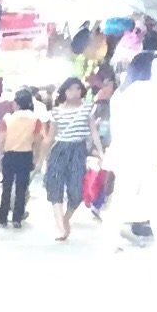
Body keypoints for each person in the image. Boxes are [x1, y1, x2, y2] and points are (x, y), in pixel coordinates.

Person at [44, 75, 98, 240]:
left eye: (77, 89)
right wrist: (41, 159)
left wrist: (101, 151)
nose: (74, 92)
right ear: (64, 92)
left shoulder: (87, 108)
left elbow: (93, 131)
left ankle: (65, 218)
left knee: (77, 191)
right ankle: (61, 228)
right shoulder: (56, 112)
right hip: (59, 150)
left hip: (78, 150)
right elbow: (50, 137)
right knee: (56, 187)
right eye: (70, 89)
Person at [0, 87, 43, 227]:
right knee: (22, 187)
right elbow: (38, 140)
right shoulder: (35, 120)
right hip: (26, 155)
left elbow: (1, 139)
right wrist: (36, 157)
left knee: (7, 187)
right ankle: (17, 217)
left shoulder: (8, 119)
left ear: (16, 103)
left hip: (9, 155)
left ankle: (2, 217)